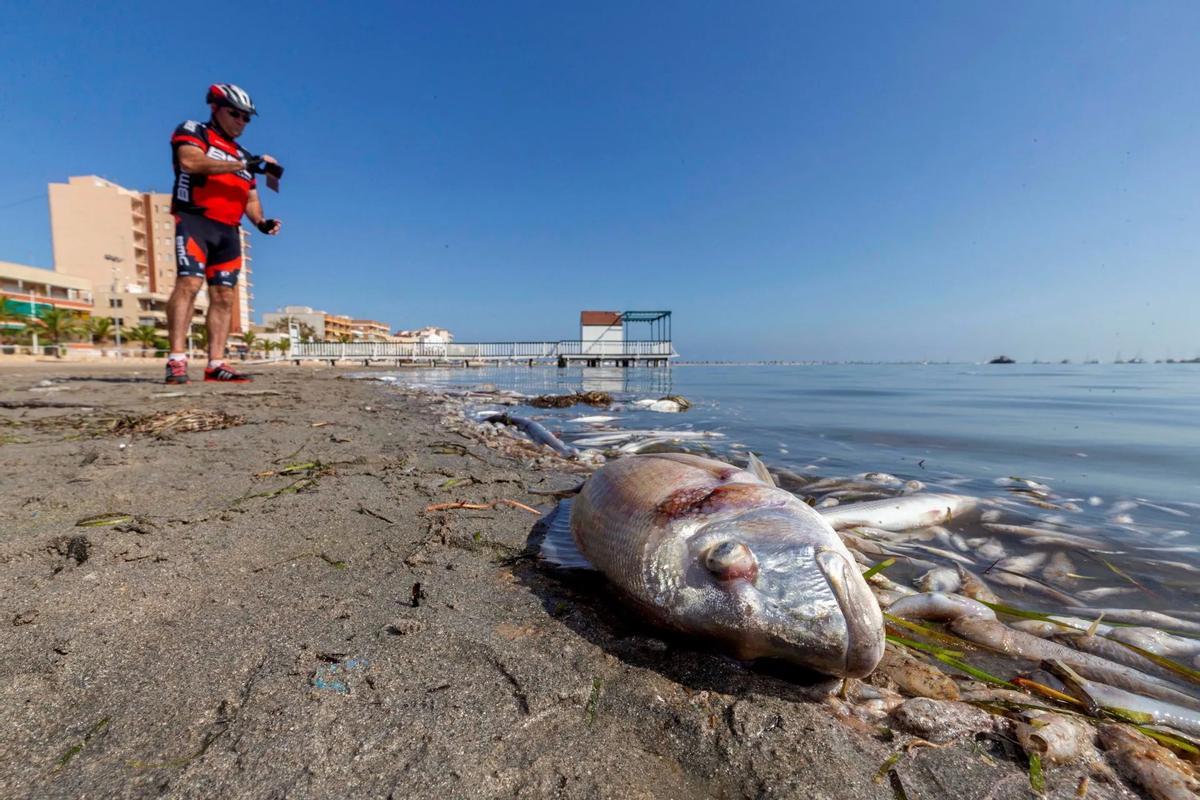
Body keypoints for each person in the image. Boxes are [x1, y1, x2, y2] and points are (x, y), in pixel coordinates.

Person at [164, 83, 282, 383]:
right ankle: (177, 358)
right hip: (196, 220)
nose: (241, 122)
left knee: (225, 295)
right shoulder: (195, 131)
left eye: (247, 118)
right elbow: (189, 161)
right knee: (189, 284)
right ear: (215, 108)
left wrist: (262, 222)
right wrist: (243, 163)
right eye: (236, 114)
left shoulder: (243, 156)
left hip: (229, 231)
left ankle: (216, 363)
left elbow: (251, 199)